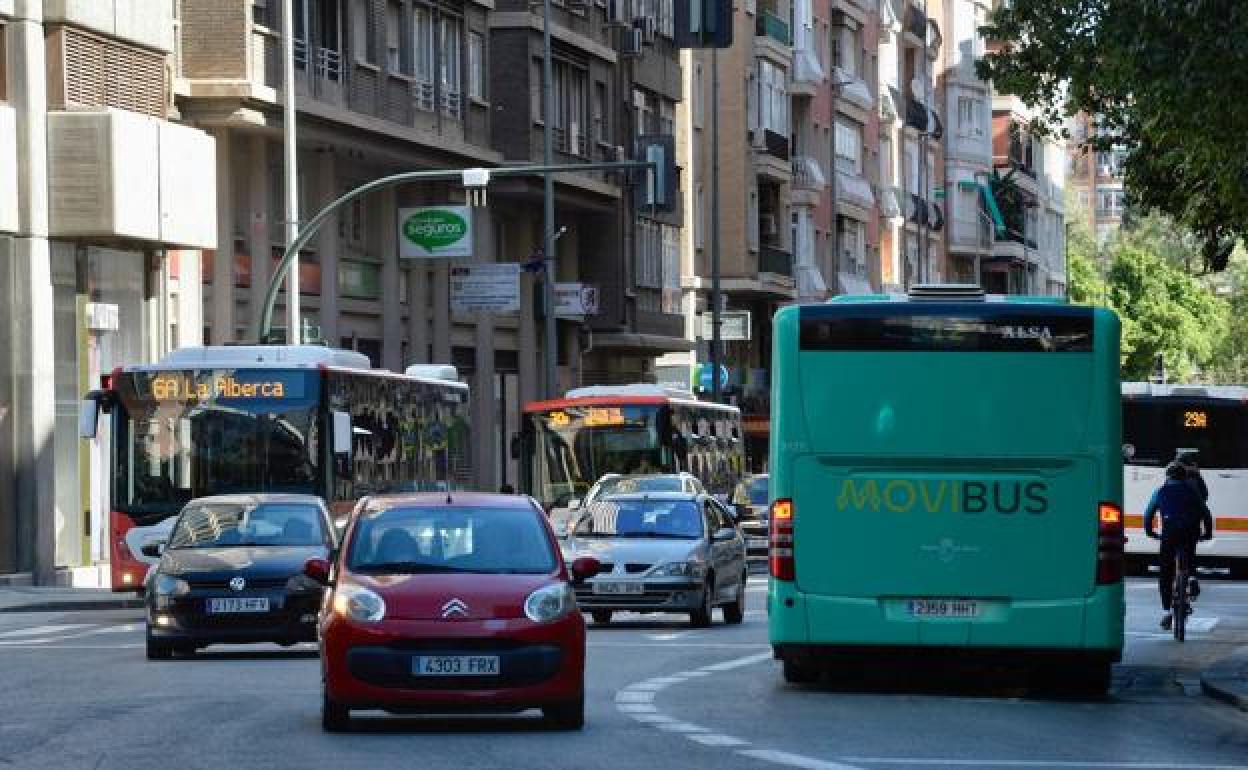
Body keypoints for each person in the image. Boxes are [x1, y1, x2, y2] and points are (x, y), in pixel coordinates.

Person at [1144, 462, 1214, 630]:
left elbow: (1148, 514)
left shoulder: (1160, 491)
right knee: (1189, 554)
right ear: (1184, 477)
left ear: (1167, 477)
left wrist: (1150, 532)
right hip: (1190, 532)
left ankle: (1167, 611)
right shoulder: (1192, 491)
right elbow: (1206, 513)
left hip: (1169, 534)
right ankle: (1191, 578)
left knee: (1166, 572)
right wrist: (1208, 533)